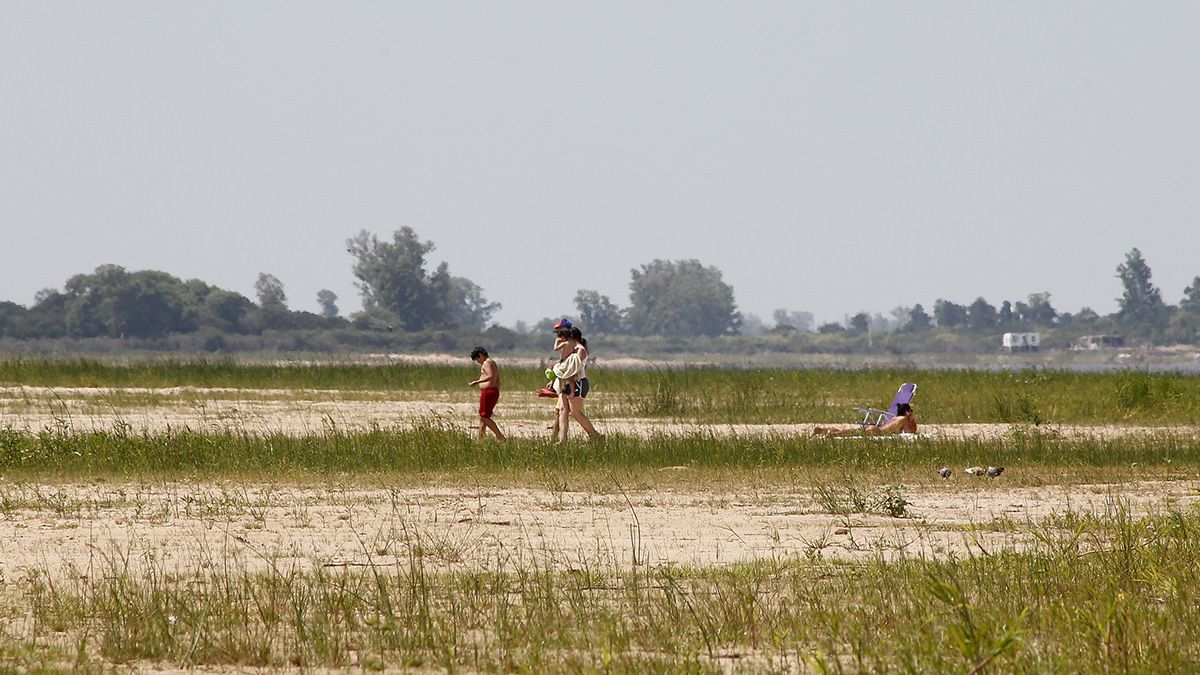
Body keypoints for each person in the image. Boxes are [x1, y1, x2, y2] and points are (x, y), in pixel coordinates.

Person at [552, 326, 602, 443]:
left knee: (575, 412)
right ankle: (562, 440)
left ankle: (595, 436)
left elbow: (573, 370)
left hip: (578, 383)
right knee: (563, 410)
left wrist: (572, 386)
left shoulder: (580, 350)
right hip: (568, 383)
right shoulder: (573, 350)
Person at [812, 402, 918, 437]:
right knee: (851, 433)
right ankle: (833, 434)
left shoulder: (895, 417)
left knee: (852, 432)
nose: (912, 413)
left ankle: (822, 430)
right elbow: (910, 432)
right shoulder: (904, 419)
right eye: (911, 411)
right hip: (877, 432)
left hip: (875, 427)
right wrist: (913, 422)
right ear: (907, 412)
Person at [468, 347, 506, 442]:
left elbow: (490, 376)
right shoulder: (492, 362)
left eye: (477, 359)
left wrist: (477, 382)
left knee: (484, 417)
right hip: (492, 391)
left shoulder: (487, 362)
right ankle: (480, 440)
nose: (478, 362)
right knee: (483, 417)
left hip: (488, 391)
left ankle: (500, 437)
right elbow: (497, 379)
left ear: (480, 355)